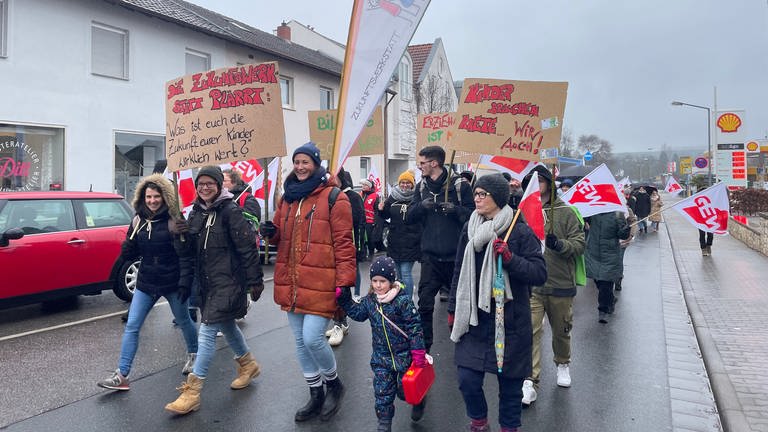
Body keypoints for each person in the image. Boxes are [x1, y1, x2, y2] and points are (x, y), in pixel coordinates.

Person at [259, 142, 356, 422]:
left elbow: (344, 243)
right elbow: (279, 236)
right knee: (300, 342)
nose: (300, 167)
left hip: (322, 279)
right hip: (291, 279)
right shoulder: (287, 197)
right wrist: (270, 232)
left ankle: (334, 384)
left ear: (316, 164)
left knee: (314, 339)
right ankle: (315, 393)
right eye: (297, 162)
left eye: (306, 162)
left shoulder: (334, 197)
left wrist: (345, 282)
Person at [448, 174, 547, 432]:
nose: (477, 199)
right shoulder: (469, 228)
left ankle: (508, 428)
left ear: (498, 198)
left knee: (511, 388)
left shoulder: (520, 231)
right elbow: (459, 268)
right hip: (475, 319)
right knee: (466, 379)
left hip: (510, 322)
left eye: (483, 194)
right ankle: (479, 421)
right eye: (476, 194)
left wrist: (511, 258)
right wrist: (452, 309)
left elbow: (539, 273)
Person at [164, 166, 264, 415]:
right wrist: (178, 235)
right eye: (201, 184)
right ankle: (248, 365)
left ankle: (192, 392)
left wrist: (255, 281)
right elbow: (187, 252)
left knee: (207, 333)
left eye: (210, 183)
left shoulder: (231, 211)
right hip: (207, 283)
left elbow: (246, 248)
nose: (205, 187)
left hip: (230, 282)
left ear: (220, 185)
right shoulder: (196, 212)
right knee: (227, 326)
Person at [97, 174, 198, 391]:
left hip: (172, 283)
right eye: (148, 196)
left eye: (157, 196)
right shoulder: (138, 220)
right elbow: (132, 251)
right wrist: (126, 249)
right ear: (142, 198)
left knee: (184, 321)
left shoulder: (174, 221)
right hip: (146, 282)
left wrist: (185, 282)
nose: (152, 201)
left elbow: (186, 257)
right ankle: (121, 374)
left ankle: (194, 354)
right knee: (132, 326)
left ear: (165, 197)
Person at [336, 256, 427, 432]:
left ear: (391, 281)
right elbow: (357, 313)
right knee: (382, 394)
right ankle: (384, 424)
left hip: (404, 357)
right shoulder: (370, 301)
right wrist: (344, 299)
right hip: (381, 359)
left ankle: (418, 400)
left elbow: (414, 327)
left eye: (382, 281)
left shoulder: (402, 301)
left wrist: (418, 352)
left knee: (405, 391)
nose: (378, 285)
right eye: (375, 281)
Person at [521, 165, 585, 407]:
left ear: (549, 182)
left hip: (560, 283)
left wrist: (559, 245)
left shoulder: (566, 212)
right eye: (531, 180)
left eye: (540, 180)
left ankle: (563, 363)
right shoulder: (525, 211)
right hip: (533, 285)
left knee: (561, 330)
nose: (536, 184)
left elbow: (579, 245)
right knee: (531, 331)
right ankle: (531, 380)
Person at [406, 145, 474, 353]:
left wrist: (456, 210)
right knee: (425, 305)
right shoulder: (420, 187)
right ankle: (425, 350)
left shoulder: (460, 185)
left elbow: (474, 215)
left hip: (455, 257)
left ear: (434, 163)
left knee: (460, 307)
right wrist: (421, 207)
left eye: (422, 163)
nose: (420, 167)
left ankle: (466, 347)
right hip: (430, 257)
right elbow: (409, 217)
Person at [325, 167, 366, 347]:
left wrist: (359, 248)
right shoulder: (326, 196)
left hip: (346, 247)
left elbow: (357, 223)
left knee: (342, 287)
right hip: (328, 248)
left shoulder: (352, 197)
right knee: (332, 289)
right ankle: (340, 321)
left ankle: (339, 323)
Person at [377, 170, 421, 299]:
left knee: (406, 272)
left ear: (412, 184)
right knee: (398, 274)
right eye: (402, 182)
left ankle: (408, 300)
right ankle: (401, 298)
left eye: (408, 182)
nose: (405, 185)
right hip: (395, 241)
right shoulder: (393, 196)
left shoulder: (417, 197)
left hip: (411, 241)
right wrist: (381, 209)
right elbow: (386, 215)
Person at [585, 211, 631, 323]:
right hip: (593, 252)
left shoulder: (617, 214)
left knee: (605, 282)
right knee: (598, 280)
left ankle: (603, 310)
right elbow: (583, 221)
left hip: (610, 254)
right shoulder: (593, 212)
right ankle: (611, 300)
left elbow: (622, 235)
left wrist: (626, 228)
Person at [360, 179, 380, 260]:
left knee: (370, 239)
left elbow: (376, 210)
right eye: (363, 185)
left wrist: (375, 222)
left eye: (365, 185)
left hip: (370, 222)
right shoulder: (361, 195)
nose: (363, 187)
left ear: (369, 187)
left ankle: (371, 254)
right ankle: (363, 255)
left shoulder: (375, 196)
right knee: (362, 238)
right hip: (362, 221)